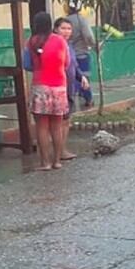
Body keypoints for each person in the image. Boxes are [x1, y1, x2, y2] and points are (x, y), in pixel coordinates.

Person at [24, 12, 70, 170]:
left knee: (41, 127)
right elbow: (67, 63)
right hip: (59, 87)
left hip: (40, 87)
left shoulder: (31, 42)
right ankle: (57, 161)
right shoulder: (60, 41)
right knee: (56, 126)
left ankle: (45, 163)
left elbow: (27, 65)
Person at [53, 17, 90, 161]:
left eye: (69, 29)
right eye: (63, 28)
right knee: (61, 121)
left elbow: (73, 65)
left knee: (65, 120)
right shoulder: (56, 44)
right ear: (56, 29)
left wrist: (81, 77)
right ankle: (60, 151)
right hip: (59, 86)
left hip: (70, 86)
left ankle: (61, 150)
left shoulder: (69, 45)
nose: (67, 31)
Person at [66, 4, 96, 108]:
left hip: (68, 55)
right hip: (81, 54)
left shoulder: (64, 21)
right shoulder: (81, 19)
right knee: (84, 78)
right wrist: (94, 46)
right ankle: (88, 99)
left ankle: (71, 100)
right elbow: (89, 36)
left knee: (70, 78)